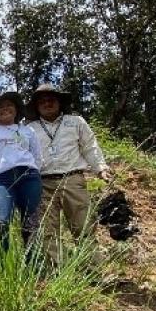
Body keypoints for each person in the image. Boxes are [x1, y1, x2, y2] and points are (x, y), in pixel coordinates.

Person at [25, 84, 112, 262]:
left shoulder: (75, 121)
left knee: (83, 226)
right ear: (36, 106)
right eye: (42, 101)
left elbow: (89, 146)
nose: (47, 104)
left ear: (59, 102)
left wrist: (101, 168)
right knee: (47, 230)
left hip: (72, 179)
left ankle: (94, 269)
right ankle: (58, 270)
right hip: (42, 183)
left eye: (51, 100)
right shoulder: (28, 128)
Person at [0, 92, 43, 249]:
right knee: (2, 221)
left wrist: (33, 172)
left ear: (16, 109)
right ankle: (4, 259)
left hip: (29, 177)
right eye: (0, 107)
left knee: (31, 221)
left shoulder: (28, 131)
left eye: (9, 105)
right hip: (1, 179)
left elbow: (37, 156)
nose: (5, 109)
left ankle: (31, 258)